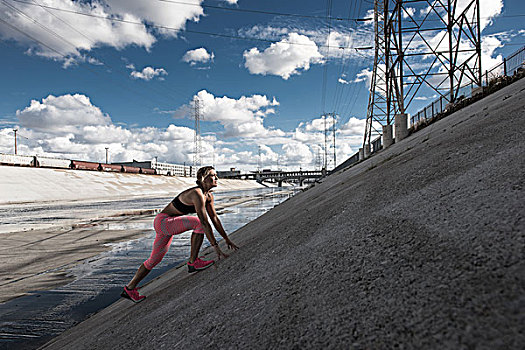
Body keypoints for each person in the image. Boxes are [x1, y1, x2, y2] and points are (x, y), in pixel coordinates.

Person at [121, 166, 239, 303]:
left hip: (167, 224)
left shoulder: (208, 196)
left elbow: (215, 219)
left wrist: (226, 239)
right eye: (213, 175)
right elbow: (204, 222)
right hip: (164, 222)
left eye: (216, 175)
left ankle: (129, 289)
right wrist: (215, 246)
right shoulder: (197, 193)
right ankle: (193, 261)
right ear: (203, 179)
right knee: (198, 223)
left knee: (154, 259)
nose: (217, 178)